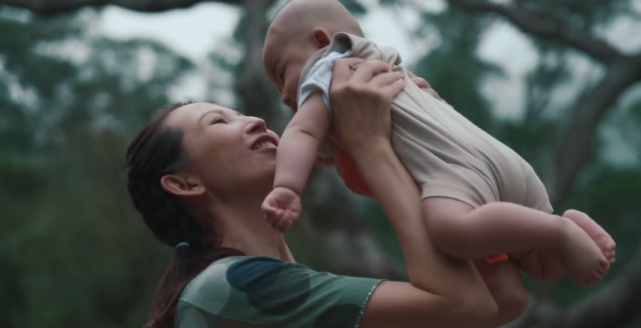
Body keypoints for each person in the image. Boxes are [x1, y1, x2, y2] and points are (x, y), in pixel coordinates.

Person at [125, 59, 527, 328]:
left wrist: (425, 142)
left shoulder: (280, 293)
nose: (255, 120)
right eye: (218, 121)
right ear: (185, 184)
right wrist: (369, 143)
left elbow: (498, 303)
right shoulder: (229, 287)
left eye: (240, 112)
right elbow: (465, 304)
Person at [260, 0, 616, 287]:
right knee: (539, 264)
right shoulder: (388, 65)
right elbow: (323, 140)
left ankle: (559, 229)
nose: (282, 94)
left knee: (450, 229)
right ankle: (569, 223)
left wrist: (288, 186)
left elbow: (302, 133)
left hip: (456, 173)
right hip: (502, 161)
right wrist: (319, 153)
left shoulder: (327, 67)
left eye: (281, 73)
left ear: (321, 41)